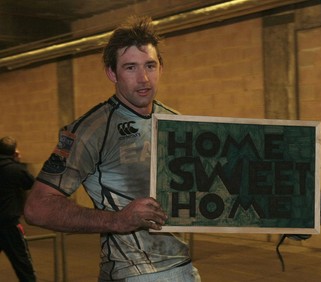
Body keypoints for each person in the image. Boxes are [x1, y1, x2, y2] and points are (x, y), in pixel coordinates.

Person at [23, 16, 200, 282]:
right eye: (130, 68)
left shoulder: (176, 122)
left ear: (161, 67)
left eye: (150, 65)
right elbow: (37, 208)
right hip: (135, 273)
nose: (143, 78)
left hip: (182, 267)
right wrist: (117, 220)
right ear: (112, 73)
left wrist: (277, 215)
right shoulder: (91, 129)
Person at [0, 136, 36, 282]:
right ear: (13, 152)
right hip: (9, 224)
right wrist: (17, 162)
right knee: (23, 264)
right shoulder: (15, 169)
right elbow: (31, 184)